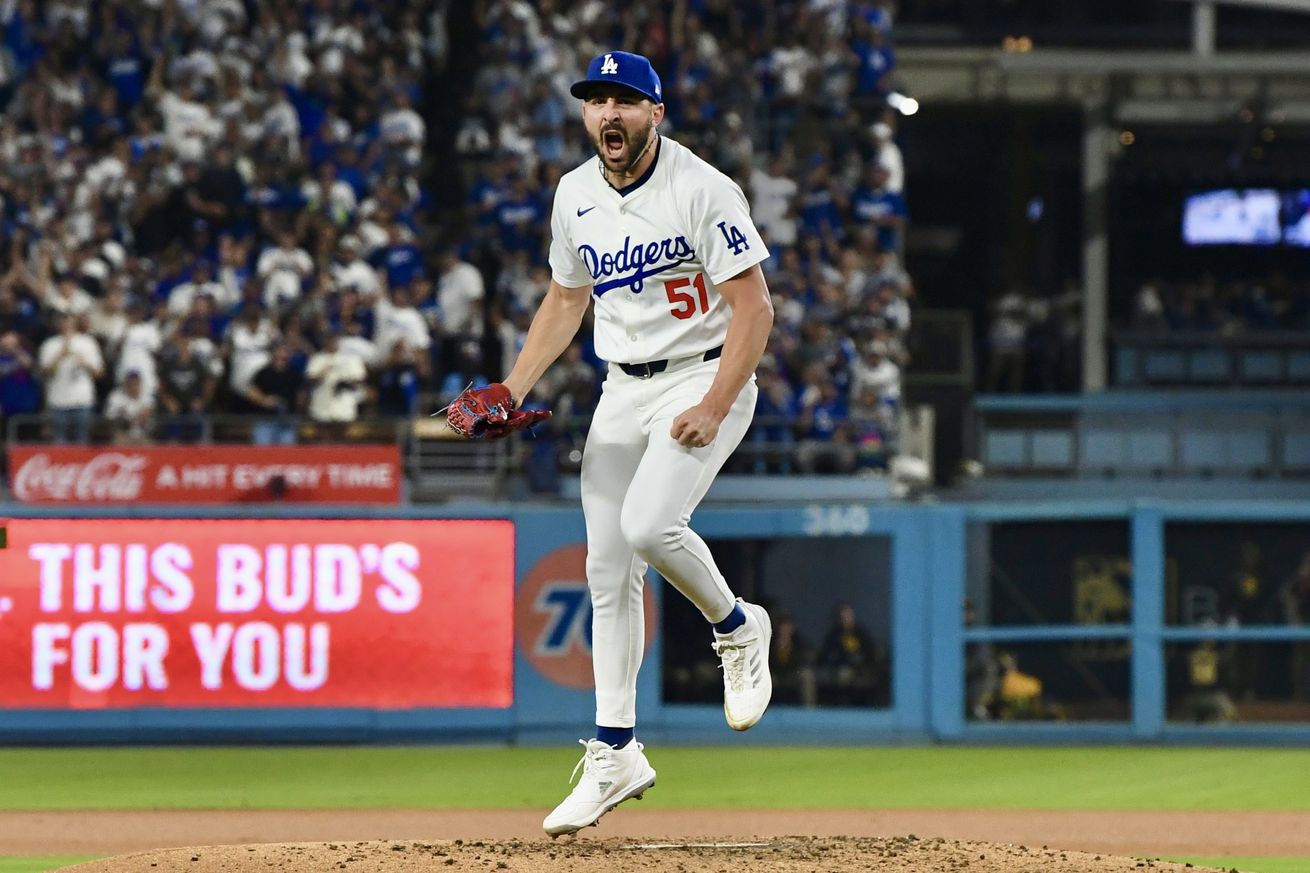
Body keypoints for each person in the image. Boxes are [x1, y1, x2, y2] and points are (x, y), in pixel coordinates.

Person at [494, 51, 776, 838]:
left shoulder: (702, 187)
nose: (608, 114)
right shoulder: (574, 194)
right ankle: (616, 749)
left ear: (656, 113)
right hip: (622, 385)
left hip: (701, 374)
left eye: (624, 101)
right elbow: (564, 296)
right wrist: (514, 387)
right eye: (596, 102)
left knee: (650, 526)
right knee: (605, 567)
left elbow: (754, 311)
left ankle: (735, 625)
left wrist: (717, 403)